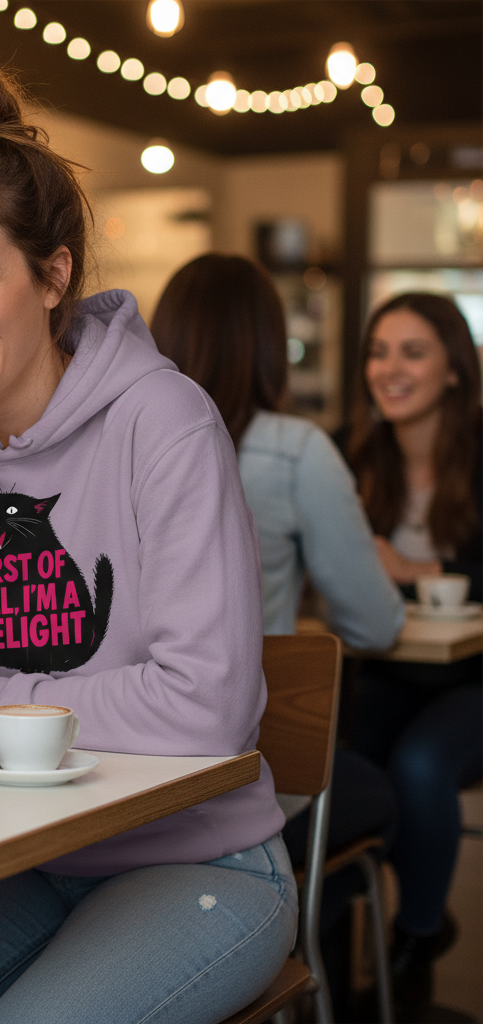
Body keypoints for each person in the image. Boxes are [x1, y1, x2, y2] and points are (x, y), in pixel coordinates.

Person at [0, 61, 297, 1024]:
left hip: (194, 859)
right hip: (2, 854)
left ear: (53, 274)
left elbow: (206, 708)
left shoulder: (165, 422)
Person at [149, 253, 405, 1020]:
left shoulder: (127, 447)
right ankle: (348, 969)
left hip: (131, 778)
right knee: (382, 790)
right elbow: (376, 622)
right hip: (250, 782)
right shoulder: (296, 451)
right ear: (267, 345)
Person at [341, 292, 482, 1022]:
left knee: (422, 766)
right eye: (378, 351)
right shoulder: (349, 456)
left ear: (455, 370)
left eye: (412, 352)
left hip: (474, 680)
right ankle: (333, 954)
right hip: (391, 670)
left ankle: (415, 938)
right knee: (342, 770)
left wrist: (413, 571)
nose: (388, 369)